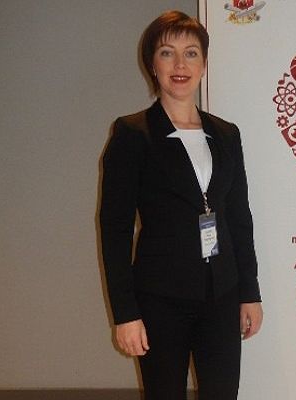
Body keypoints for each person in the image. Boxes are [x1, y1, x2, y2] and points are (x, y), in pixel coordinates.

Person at [99, 10, 263, 400]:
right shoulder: (132, 133)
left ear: (203, 64)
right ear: (152, 65)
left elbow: (239, 218)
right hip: (159, 300)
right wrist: (126, 314)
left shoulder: (226, 134)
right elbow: (114, 229)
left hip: (222, 295)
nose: (179, 65)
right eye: (166, 53)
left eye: (191, 53)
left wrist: (250, 292)